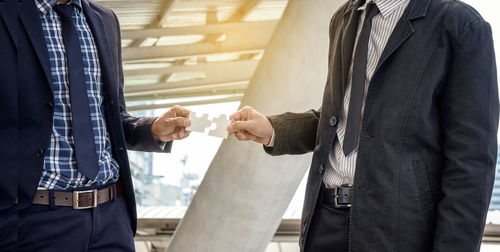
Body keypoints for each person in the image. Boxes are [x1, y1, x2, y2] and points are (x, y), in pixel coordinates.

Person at [228, 0, 499, 251]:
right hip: (324, 223)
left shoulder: (460, 26)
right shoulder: (344, 19)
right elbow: (342, 119)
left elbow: (471, 163)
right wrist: (274, 128)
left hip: (399, 233)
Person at [0, 0, 191, 250]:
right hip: (33, 220)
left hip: (111, 219)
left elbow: (112, 116)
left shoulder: (105, 19)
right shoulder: (6, 13)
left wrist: (153, 129)